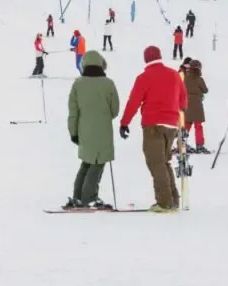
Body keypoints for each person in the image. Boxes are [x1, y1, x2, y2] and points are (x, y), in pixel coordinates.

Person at [118, 46, 187, 213]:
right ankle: (173, 199)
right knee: (164, 162)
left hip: (153, 125)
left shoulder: (144, 77)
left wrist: (124, 123)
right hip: (171, 124)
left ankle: (164, 203)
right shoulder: (173, 75)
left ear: (146, 59)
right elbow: (183, 99)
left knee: (156, 163)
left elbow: (134, 101)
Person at [64, 51, 120, 209]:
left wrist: (73, 132)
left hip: (84, 131)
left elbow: (73, 111)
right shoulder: (108, 83)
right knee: (98, 163)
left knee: (87, 162)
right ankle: (89, 197)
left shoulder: (78, 84)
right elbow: (115, 110)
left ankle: (78, 196)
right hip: (103, 131)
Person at [183, 60, 209, 154]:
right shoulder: (199, 79)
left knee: (187, 125)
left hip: (186, 105)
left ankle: (182, 144)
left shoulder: (185, 78)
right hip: (197, 105)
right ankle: (199, 145)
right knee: (198, 126)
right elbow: (205, 90)